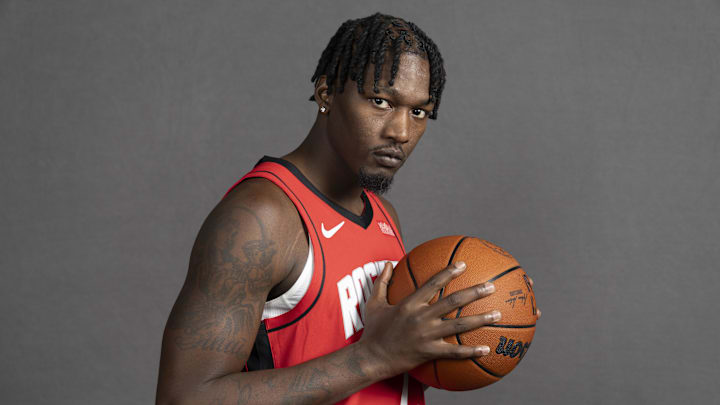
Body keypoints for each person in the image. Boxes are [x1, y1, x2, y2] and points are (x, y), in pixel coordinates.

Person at [156, 12, 538, 405]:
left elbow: (396, 362)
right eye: (380, 101)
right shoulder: (262, 218)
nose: (401, 132)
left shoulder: (384, 216)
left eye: (419, 112)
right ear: (326, 93)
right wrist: (373, 358)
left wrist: (491, 318)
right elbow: (183, 398)